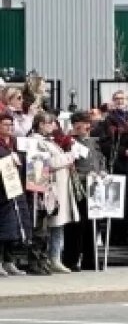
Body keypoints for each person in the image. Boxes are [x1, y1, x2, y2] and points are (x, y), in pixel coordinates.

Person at [30, 112, 77, 274]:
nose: (53, 126)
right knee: (46, 226)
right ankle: (45, 259)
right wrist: (70, 157)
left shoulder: (49, 141)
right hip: (48, 188)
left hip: (58, 188)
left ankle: (55, 258)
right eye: (50, 123)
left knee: (58, 225)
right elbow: (47, 163)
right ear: (41, 124)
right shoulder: (36, 141)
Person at [97, 90, 128, 247]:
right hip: (116, 165)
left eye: (122, 99)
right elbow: (104, 144)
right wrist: (125, 152)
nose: (119, 101)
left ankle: (126, 236)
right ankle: (112, 238)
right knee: (116, 202)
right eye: (116, 99)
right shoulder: (108, 121)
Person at [63, 111, 104, 272]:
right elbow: (70, 166)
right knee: (75, 226)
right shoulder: (70, 142)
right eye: (82, 123)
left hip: (94, 188)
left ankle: (90, 259)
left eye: (88, 123)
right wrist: (84, 176)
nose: (86, 127)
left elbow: (100, 160)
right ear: (75, 125)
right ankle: (71, 259)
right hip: (78, 188)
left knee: (92, 226)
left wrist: (103, 171)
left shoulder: (94, 142)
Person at [0, 111, 33, 276]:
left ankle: (9, 261)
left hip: (15, 190)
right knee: (2, 227)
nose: (9, 127)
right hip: (1, 191)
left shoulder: (15, 143)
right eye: (5, 124)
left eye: (11, 124)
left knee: (14, 228)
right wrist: (7, 159)